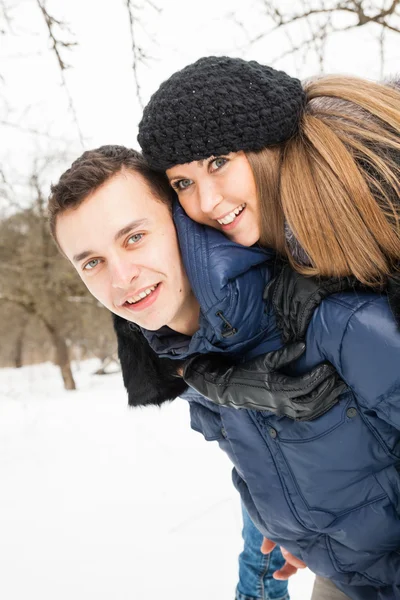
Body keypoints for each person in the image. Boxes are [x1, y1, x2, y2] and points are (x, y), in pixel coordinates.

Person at [136, 56, 400, 599]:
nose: (207, 202)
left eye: (218, 161)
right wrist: (308, 524)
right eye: (183, 181)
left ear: (269, 147)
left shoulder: (374, 204)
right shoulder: (254, 248)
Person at [48, 145, 344, 600]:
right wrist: (281, 511)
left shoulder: (294, 276)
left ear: (178, 220)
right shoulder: (156, 331)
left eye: (134, 237)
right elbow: (237, 439)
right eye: (92, 262)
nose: (122, 277)